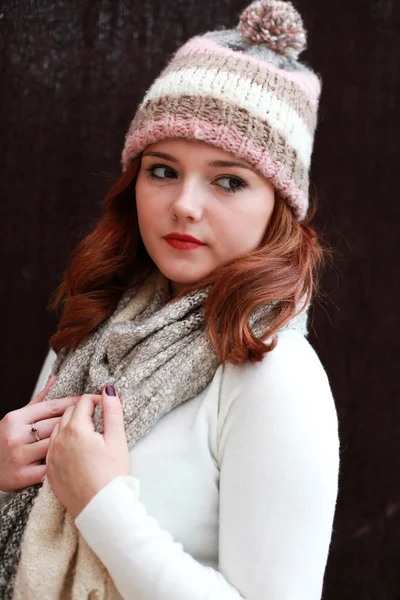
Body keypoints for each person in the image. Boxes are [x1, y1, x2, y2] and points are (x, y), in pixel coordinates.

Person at [0, 1, 340, 599]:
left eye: (228, 180)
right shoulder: (95, 329)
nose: (184, 203)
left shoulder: (274, 373)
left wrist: (102, 504)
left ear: (279, 207)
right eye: (162, 170)